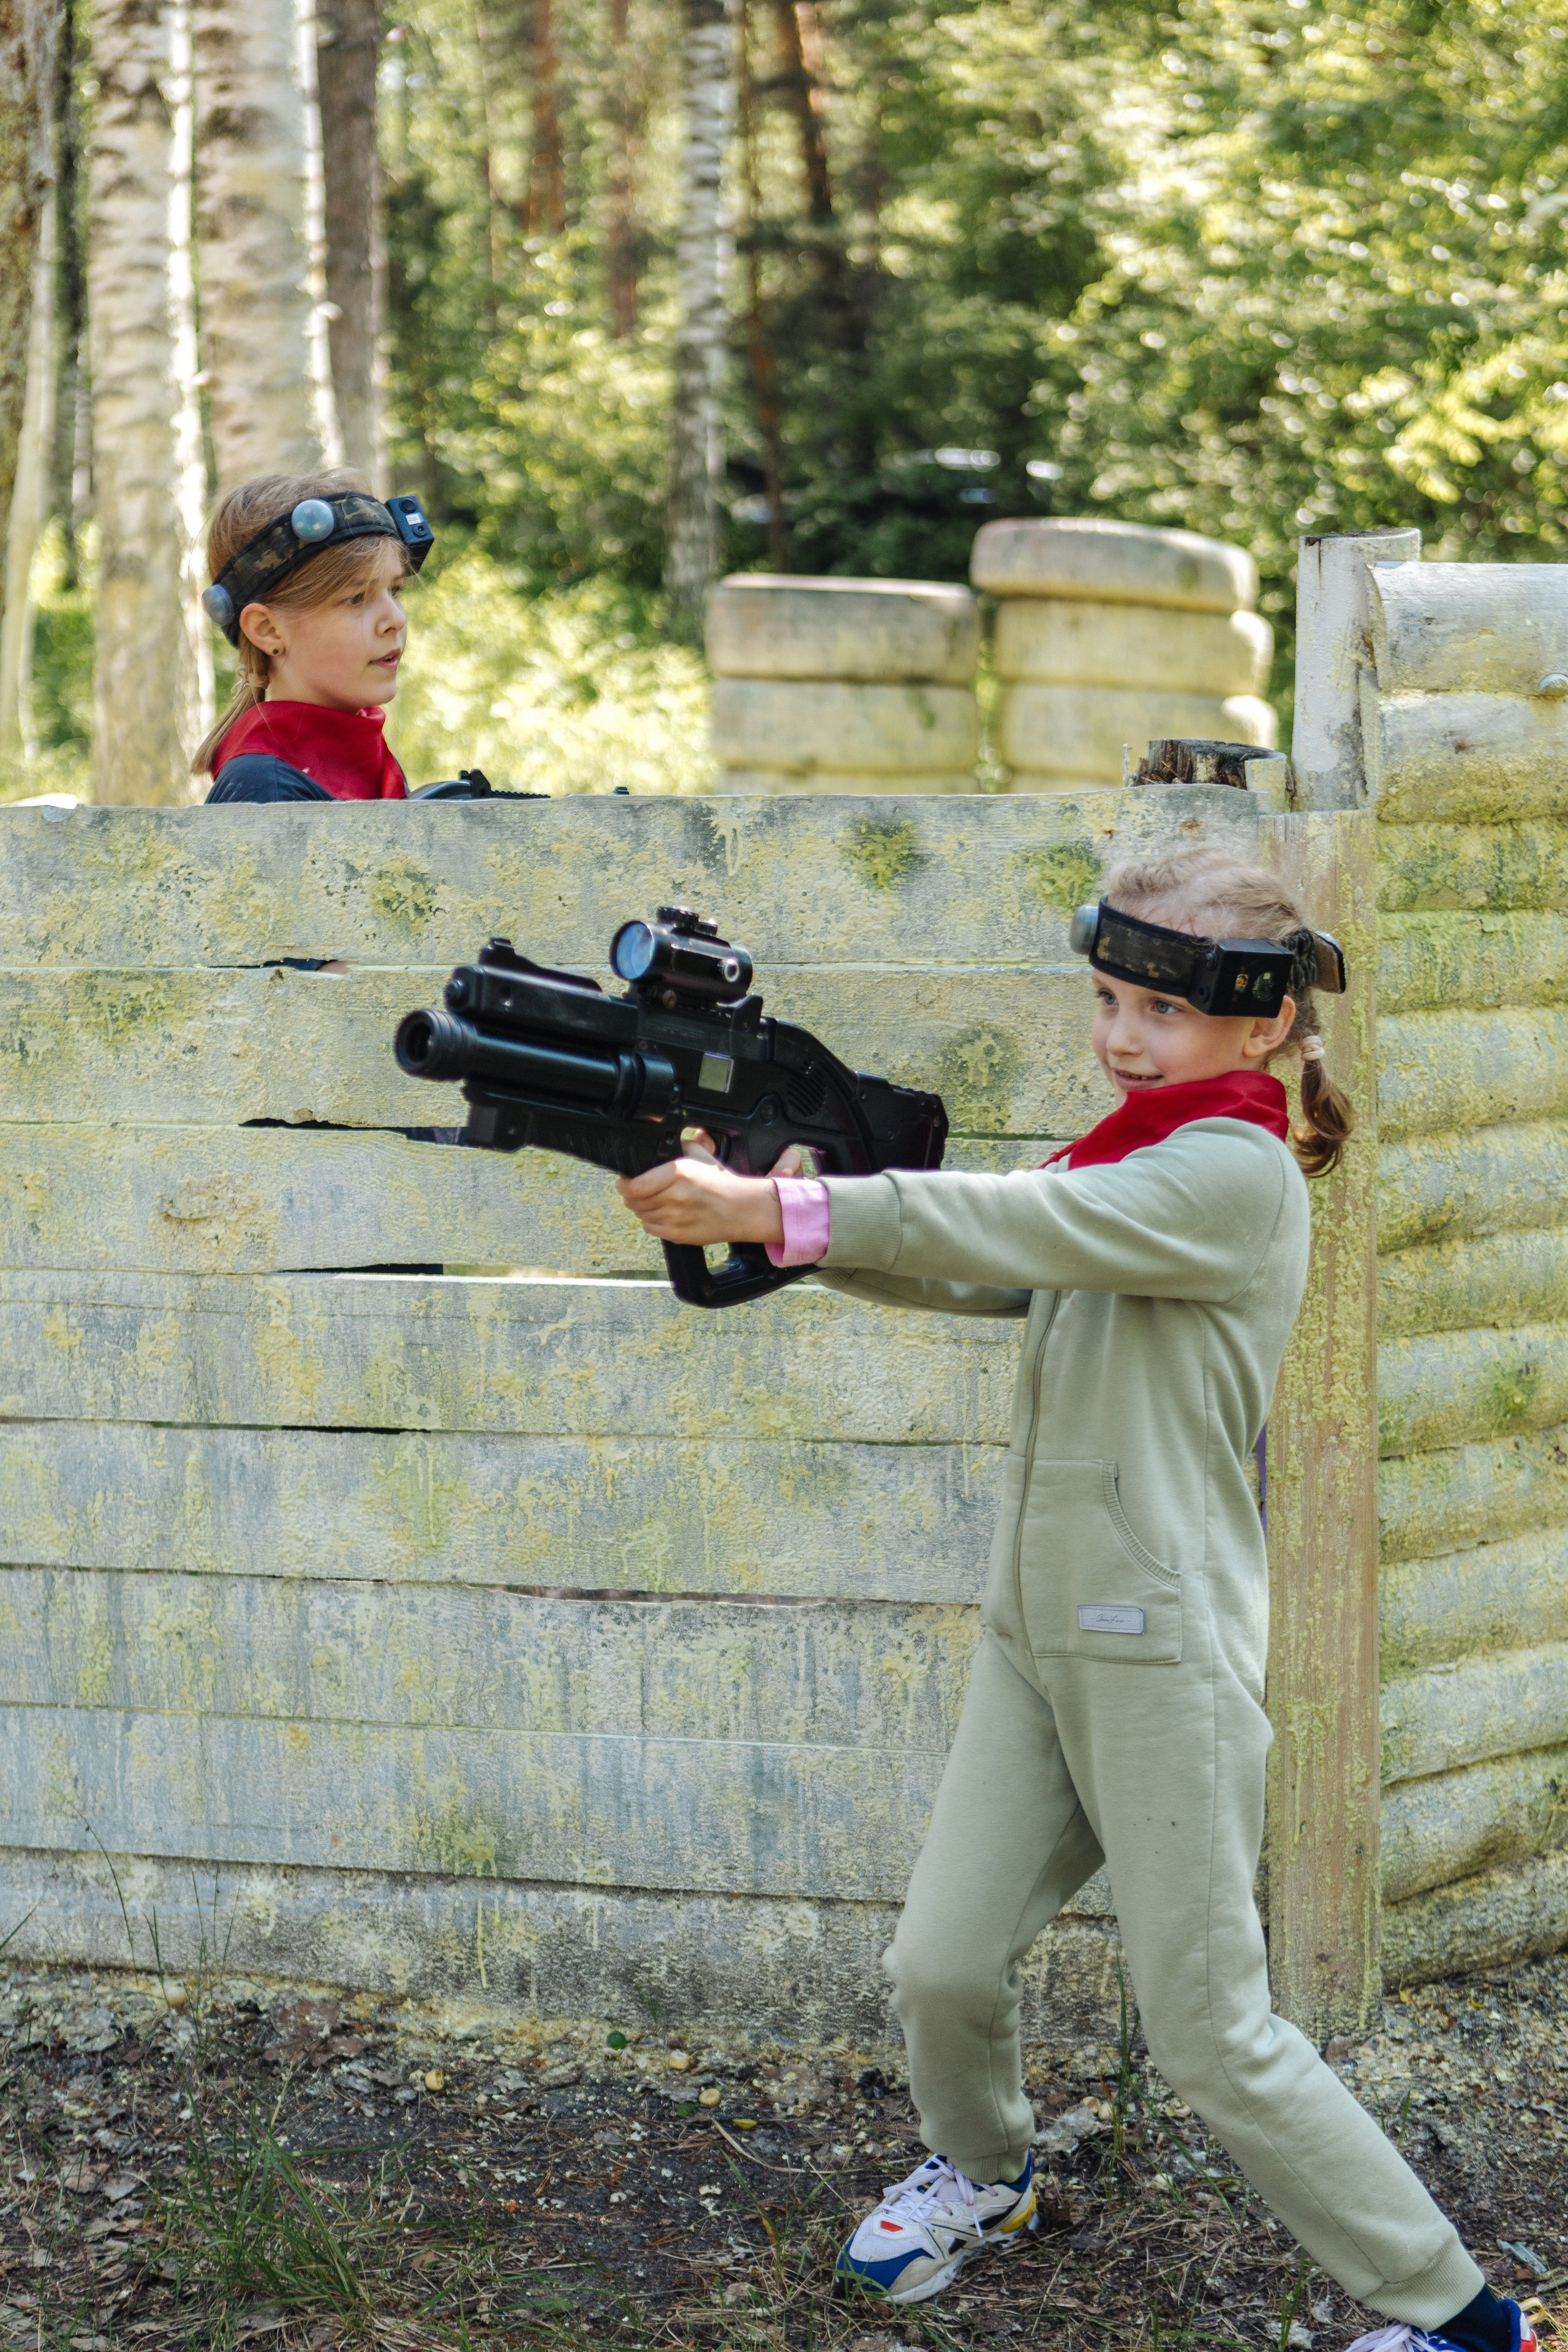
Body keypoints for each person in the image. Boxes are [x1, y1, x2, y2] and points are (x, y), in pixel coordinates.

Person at [614, 842, 1549, 2352]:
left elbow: (1014, 1229)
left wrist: (789, 1218)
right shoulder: (1125, 1147)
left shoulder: (1227, 1174)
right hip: (1039, 1624)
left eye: (1155, 1013)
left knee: (1210, 2032)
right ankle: (986, 2172)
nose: (1119, 1033)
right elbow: (991, 1268)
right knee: (939, 1960)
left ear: (1258, 1024)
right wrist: (784, 1215)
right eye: (1106, 995)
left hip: (1154, 1644)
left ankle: (1453, 2311)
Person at [192, 469, 434, 803]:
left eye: (395, 590)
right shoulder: (264, 787)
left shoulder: (366, 758)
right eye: (356, 598)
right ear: (268, 630)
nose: (395, 619)